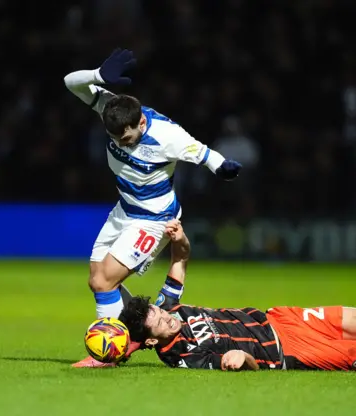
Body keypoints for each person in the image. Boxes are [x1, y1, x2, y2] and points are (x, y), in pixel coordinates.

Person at [116, 220, 356, 372]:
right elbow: (246, 366)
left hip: (280, 319)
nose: (167, 316)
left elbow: (179, 261)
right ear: (151, 340)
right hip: (286, 352)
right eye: (160, 322)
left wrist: (178, 239)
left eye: (160, 311)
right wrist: (241, 357)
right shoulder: (182, 357)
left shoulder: (169, 307)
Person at [64, 49, 242, 367]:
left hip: (154, 220)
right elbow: (69, 82)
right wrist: (97, 77)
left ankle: (109, 356)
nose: (121, 142)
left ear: (142, 122)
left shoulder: (166, 135)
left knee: (106, 281)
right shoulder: (113, 109)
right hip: (124, 211)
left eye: (128, 138)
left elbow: (204, 153)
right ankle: (129, 336)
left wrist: (223, 168)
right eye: (114, 139)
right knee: (97, 280)